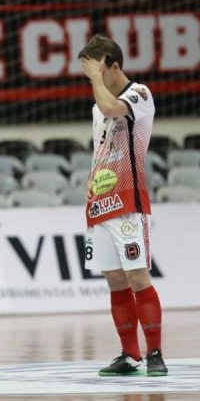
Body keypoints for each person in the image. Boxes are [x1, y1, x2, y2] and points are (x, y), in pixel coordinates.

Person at [78, 35, 167, 377]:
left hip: (129, 201)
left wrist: (97, 81)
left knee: (137, 276)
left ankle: (155, 352)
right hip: (101, 203)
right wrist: (91, 186)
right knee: (114, 279)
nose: (92, 78)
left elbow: (111, 108)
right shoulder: (95, 106)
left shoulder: (139, 94)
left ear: (114, 65)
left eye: (97, 69)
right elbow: (101, 150)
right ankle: (130, 356)